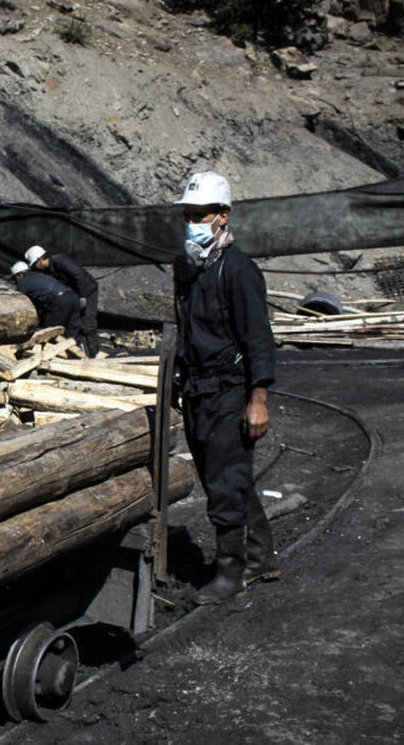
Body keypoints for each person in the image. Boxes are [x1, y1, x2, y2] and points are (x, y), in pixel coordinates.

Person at [173, 170, 279, 604]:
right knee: (224, 477)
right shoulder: (192, 269)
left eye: (201, 216)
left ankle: (230, 572)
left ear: (222, 216)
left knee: (225, 481)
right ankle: (261, 558)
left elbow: (258, 337)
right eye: (189, 215)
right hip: (199, 390)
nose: (193, 223)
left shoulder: (238, 270)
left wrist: (258, 399)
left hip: (229, 389)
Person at [25, 244, 99, 355]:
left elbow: (78, 275)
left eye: (35, 264)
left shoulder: (60, 261)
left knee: (88, 324)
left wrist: (83, 296)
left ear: (40, 260)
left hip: (88, 290)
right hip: (75, 293)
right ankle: (77, 350)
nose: (36, 267)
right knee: (74, 323)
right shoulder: (48, 269)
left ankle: (94, 352)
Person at [10, 260, 81, 339]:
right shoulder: (40, 275)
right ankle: (76, 348)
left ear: (19, 275)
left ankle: (53, 349)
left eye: (15, 278)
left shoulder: (23, 281)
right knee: (72, 331)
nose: (16, 281)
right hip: (73, 297)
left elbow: (18, 300)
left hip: (61, 301)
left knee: (50, 332)